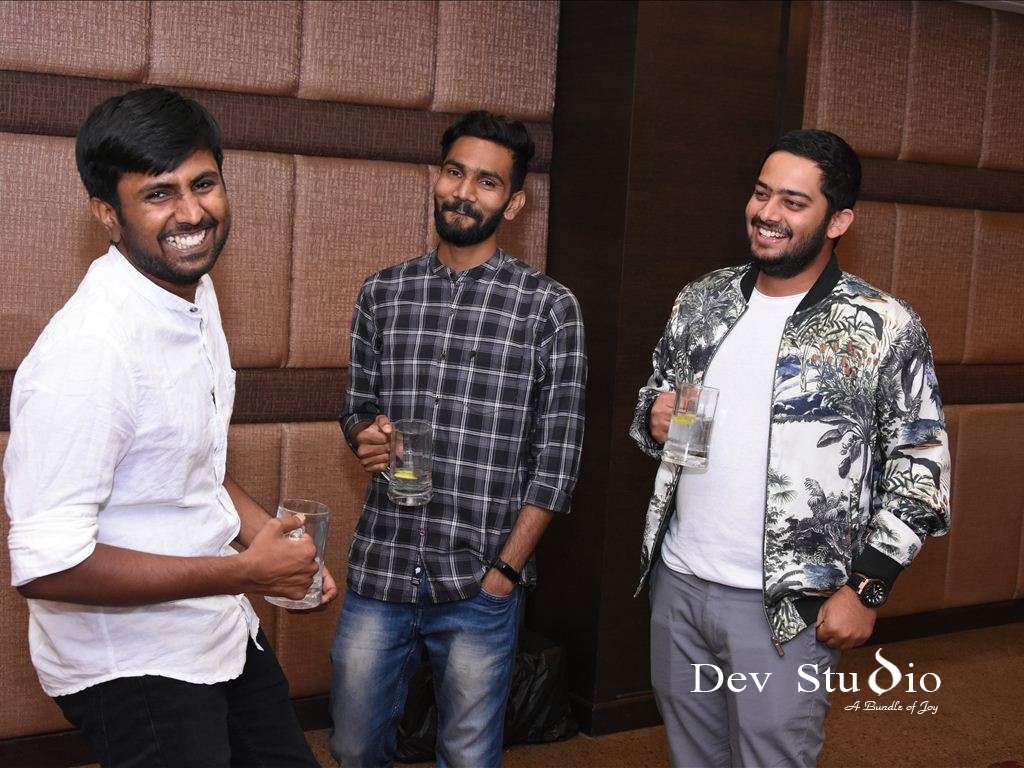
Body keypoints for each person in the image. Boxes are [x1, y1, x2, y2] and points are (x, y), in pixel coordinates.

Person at [3, 86, 334, 768]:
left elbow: (189, 464)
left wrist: (267, 544)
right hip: (131, 665)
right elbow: (48, 565)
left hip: (215, 629)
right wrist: (246, 569)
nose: (191, 213)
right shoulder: (90, 350)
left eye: (203, 184)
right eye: (158, 194)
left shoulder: (191, 291)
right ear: (107, 212)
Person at [630, 129, 950, 767]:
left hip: (788, 609)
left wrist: (868, 589)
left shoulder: (883, 325)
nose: (767, 213)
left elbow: (921, 466)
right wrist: (653, 417)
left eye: (793, 202)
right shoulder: (703, 300)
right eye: (761, 193)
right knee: (691, 757)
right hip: (681, 583)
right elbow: (659, 401)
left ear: (839, 221)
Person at [331, 111, 587, 768]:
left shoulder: (548, 307)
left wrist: (507, 571)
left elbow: (558, 460)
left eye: (487, 182)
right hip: (383, 563)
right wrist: (365, 435)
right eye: (455, 172)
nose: (464, 192)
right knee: (353, 744)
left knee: (469, 756)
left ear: (514, 202)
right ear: (436, 176)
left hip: (480, 576)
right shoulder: (382, 292)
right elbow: (357, 407)